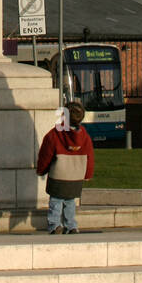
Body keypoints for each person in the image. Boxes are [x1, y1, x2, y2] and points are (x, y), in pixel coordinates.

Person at [36, 101, 95, 235]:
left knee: (56, 200)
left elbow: (46, 154)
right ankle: (71, 225)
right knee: (70, 200)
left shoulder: (55, 134)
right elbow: (90, 157)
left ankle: (55, 225)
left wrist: (41, 169)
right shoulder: (85, 137)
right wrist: (88, 174)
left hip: (59, 173)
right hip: (75, 175)